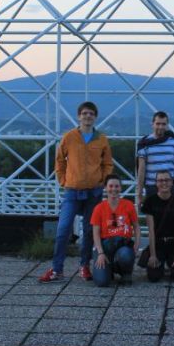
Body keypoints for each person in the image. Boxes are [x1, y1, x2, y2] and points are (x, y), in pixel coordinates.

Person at [40, 101, 113, 283]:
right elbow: (60, 160)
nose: (88, 116)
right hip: (72, 190)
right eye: (85, 113)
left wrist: (102, 180)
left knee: (89, 230)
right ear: (79, 116)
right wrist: (63, 180)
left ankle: (84, 266)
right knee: (63, 229)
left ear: (95, 117)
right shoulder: (69, 137)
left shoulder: (101, 139)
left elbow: (107, 163)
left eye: (91, 114)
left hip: (93, 192)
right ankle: (57, 268)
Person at [90, 174, 141, 287]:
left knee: (126, 255)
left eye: (117, 186)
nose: (114, 189)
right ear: (105, 187)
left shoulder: (128, 205)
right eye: (111, 186)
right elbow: (96, 233)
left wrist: (137, 244)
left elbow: (136, 226)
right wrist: (100, 253)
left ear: (120, 188)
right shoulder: (99, 208)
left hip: (122, 244)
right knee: (102, 282)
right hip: (104, 245)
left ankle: (125, 273)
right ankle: (109, 270)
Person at [139, 173, 174, 282]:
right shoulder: (150, 201)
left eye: (167, 180)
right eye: (160, 180)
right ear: (156, 183)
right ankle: (160, 264)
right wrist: (153, 255)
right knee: (154, 277)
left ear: (172, 182)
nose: (164, 183)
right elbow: (151, 231)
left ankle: (173, 263)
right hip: (158, 244)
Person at [135, 111, 174, 207]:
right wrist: (139, 191)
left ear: (167, 125)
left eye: (163, 124)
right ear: (152, 124)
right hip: (152, 186)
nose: (160, 127)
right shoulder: (144, 143)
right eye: (158, 124)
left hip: (172, 187)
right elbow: (141, 169)